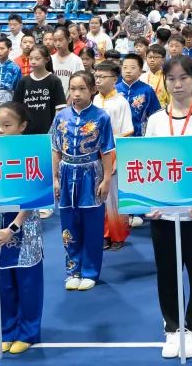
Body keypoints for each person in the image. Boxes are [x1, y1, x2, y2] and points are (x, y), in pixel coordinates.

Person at [144, 56, 192, 360]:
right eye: (172, 79)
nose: (177, 85)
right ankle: (172, 326)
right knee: (166, 271)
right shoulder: (155, 120)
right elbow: (147, 163)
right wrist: (148, 203)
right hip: (162, 212)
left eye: (184, 78)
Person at [0, 102, 44, 354]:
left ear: (22, 126)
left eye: (7, 125)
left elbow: (34, 195)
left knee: (28, 285)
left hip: (23, 228)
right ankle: (5, 331)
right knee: (1, 285)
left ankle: (28, 333)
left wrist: (13, 228)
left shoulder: (31, 154)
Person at [51, 71, 115, 291]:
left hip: (91, 173)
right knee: (68, 224)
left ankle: (90, 271)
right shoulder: (61, 117)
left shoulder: (101, 117)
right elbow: (55, 149)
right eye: (73, 88)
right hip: (66, 172)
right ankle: (72, 270)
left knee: (92, 224)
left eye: (82, 89)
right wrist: (55, 178)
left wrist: (106, 179)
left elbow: (107, 150)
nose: (76, 93)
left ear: (92, 90)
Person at [92, 61, 133, 250]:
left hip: (113, 150)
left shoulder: (121, 102)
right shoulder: (94, 100)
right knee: (99, 194)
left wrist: (118, 157)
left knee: (114, 196)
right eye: (96, 76)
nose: (98, 80)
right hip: (95, 152)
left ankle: (118, 235)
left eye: (102, 77)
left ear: (114, 79)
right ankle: (103, 233)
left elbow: (127, 132)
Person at [13, 45, 65, 137]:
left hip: (48, 132)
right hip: (26, 132)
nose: (33, 61)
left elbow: (60, 108)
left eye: (37, 59)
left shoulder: (54, 81)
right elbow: (16, 108)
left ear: (47, 59)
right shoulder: (23, 81)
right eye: (31, 58)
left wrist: (54, 129)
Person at [116, 53, 162, 138]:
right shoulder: (114, 90)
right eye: (125, 67)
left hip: (140, 136)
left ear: (140, 71)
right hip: (117, 136)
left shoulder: (147, 90)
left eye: (133, 68)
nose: (128, 71)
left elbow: (156, 115)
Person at [0, 37, 23, 106]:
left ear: (9, 49)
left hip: (9, 98)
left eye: (2, 48)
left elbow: (18, 88)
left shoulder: (14, 67)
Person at [51, 27, 84, 94]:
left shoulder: (77, 60)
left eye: (60, 40)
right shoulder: (50, 59)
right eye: (55, 40)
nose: (57, 43)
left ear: (69, 39)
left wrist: (70, 100)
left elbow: (80, 83)